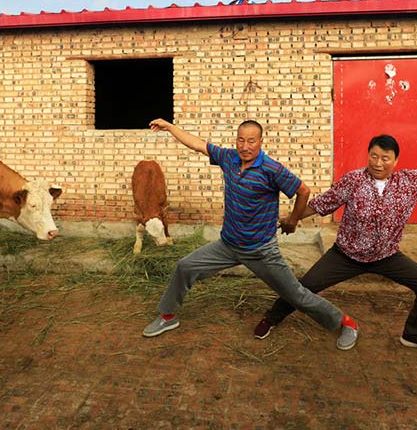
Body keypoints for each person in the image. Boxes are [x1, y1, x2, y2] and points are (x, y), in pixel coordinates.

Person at [253, 134, 417, 353]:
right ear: (368, 155)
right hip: (346, 255)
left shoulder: (409, 182)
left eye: (385, 158)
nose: (378, 163)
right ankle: (271, 318)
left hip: (387, 256)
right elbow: (323, 203)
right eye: (374, 156)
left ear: (396, 160)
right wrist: (291, 219)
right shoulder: (353, 180)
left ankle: (414, 334)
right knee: (303, 288)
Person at [142, 118, 359, 350]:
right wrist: (170, 127)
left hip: (261, 251)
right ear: (236, 141)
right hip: (227, 245)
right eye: (241, 140)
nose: (245, 146)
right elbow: (197, 144)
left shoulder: (271, 169)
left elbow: (302, 190)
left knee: (296, 295)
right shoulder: (228, 158)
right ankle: (167, 316)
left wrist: (293, 220)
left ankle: (346, 322)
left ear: (261, 142)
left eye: (251, 141)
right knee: (185, 266)